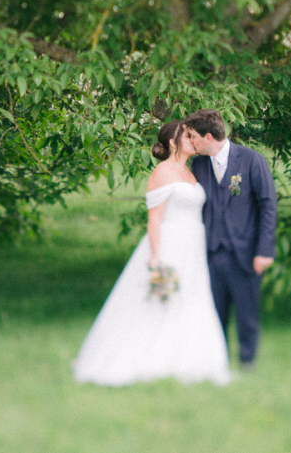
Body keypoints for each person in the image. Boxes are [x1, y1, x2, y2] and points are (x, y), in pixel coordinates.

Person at [73, 120, 231, 386]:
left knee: (193, 296)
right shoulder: (162, 172)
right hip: (170, 244)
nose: (193, 141)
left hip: (194, 244)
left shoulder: (192, 171)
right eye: (187, 136)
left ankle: (192, 358)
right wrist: (156, 258)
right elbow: (155, 220)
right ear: (173, 142)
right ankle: (149, 357)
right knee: (162, 299)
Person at [185, 108, 277, 369]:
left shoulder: (251, 160)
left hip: (246, 252)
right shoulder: (199, 164)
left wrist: (264, 250)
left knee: (247, 313)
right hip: (212, 251)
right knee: (214, 313)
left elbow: (267, 206)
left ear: (207, 137)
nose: (190, 142)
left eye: (193, 137)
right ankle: (218, 363)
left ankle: (247, 362)